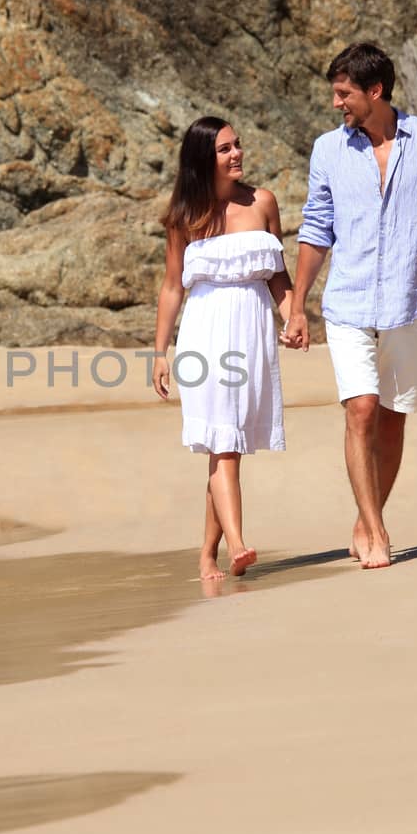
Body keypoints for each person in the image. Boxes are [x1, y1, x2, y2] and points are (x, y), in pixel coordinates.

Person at [282, 42, 417, 570]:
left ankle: (366, 519)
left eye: (344, 94)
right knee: (360, 409)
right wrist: (298, 304)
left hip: (410, 301)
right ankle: (380, 533)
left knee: (392, 420)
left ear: (375, 91)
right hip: (348, 301)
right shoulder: (328, 150)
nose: (337, 104)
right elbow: (317, 230)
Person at [152, 117, 296, 583]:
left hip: (252, 332)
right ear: (202, 159)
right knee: (225, 445)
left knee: (225, 443)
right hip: (205, 335)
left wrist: (295, 315)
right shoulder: (184, 217)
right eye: (224, 149)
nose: (236, 154)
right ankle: (237, 544)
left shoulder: (263, 203)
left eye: (238, 145)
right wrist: (160, 353)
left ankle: (206, 556)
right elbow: (173, 288)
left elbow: (278, 275)